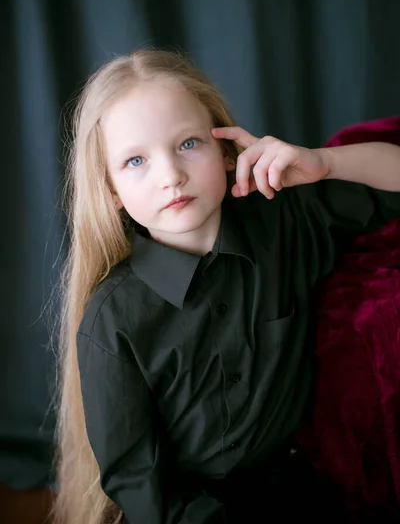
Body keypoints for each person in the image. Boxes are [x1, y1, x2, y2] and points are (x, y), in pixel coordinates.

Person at [53, 48, 400, 524]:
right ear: (111, 190)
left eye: (188, 144)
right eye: (135, 161)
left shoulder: (287, 221)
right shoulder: (113, 319)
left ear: (224, 147)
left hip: (305, 491)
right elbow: (138, 480)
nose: (171, 176)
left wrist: (324, 162)